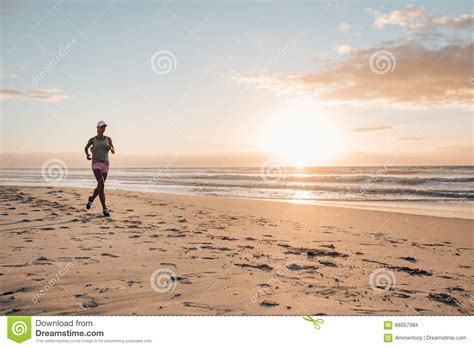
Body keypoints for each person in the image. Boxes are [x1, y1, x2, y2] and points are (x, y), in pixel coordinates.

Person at [84, 121, 115, 217]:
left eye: (104, 127)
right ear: (97, 128)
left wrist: (111, 148)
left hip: (105, 164)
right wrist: (87, 155)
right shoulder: (92, 140)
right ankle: (105, 209)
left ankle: (91, 199)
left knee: (100, 187)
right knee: (101, 183)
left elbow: (114, 151)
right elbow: (86, 148)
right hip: (96, 163)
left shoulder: (108, 139)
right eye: (102, 127)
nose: (103, 128)